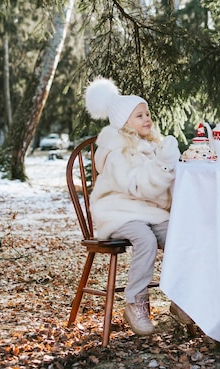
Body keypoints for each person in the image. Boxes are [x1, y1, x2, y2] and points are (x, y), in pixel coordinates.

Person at [84, 77, 191, 335]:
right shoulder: (117, 152)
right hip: (119, 210)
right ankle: (135, 301)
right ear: (123, 123)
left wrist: (176, 163)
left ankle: (182, 299)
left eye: (147, 113)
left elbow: (164, 185)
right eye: (139, 115)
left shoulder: (152, 145)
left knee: (181, 236)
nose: (147, 119)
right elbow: (137, 186)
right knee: (145, 239)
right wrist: (165, 164)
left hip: (149, 211)